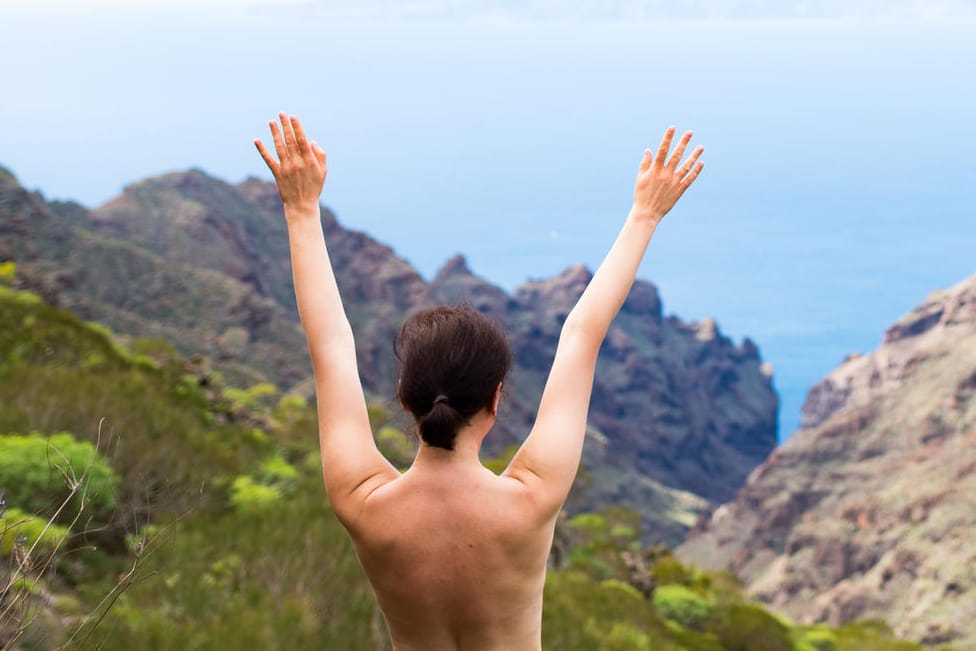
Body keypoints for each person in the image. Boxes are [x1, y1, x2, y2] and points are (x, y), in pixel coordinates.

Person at [254, 114, 703, 650]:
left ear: (405, 397)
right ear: (495, 400)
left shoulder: (363, 502)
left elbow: (329, 346)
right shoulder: (530, 500)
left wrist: (301, 210)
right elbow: (581, 334)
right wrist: (645, 214)